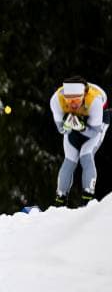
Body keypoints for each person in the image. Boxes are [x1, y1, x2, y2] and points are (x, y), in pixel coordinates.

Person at [50, 77, 107, 207]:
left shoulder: (94, 101)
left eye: (76, 100)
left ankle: (88, 198)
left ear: (84, 95)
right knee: (69, 160)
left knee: (86, 156)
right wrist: (66, 126)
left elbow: (94, 132)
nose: (72, 104)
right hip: (79, 123)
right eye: (68, 100)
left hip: (97, 124)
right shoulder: (56, 100)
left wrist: (81, 127)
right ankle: (60, 199)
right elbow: (61, 130)